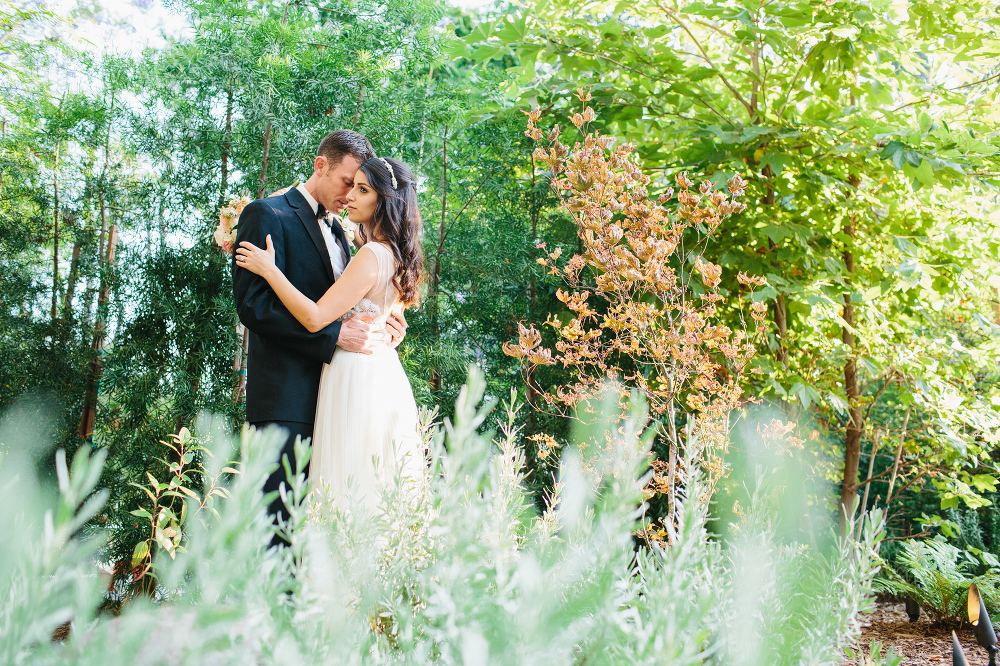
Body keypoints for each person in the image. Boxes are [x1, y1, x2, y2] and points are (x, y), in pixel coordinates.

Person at [232, 131, 408, 541]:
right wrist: (332, 337)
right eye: (348, 182)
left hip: (344, 400)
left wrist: (388, 328)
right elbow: (253, 307)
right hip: (287, 396)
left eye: (360, 187)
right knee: (279, 527)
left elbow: (354, 303)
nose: (351, 195)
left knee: (330, 523)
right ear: (320, 165)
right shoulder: (267, 214)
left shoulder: (351, 237)